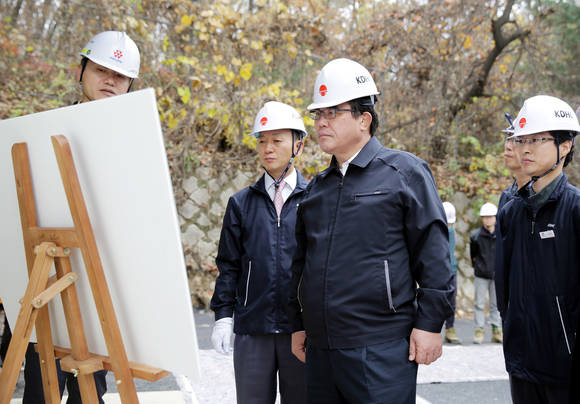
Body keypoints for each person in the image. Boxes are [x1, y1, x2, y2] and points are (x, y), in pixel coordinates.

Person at [287, 58, 454, 403]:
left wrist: (431, 324)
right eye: (318, 114)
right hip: (321, 350)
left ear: (364, 119)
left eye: (333, 112)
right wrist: (298, 323)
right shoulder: (316, 190)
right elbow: (300, 266)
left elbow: (434, 253)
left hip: (381, 348)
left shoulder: (404, 173)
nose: (321, 122)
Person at [23, 30, 140, 404]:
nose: (110, 80)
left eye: (119, 75)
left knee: (92, 390)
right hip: (47, 277)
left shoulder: (135, 143)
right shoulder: (46, 132)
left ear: (130, 84)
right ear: (82, 70)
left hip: (100, 284)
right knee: (43, 383)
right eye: (101, 69)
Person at [210, 101, 308, 404]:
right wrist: (223, 316)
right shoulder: (241, 203)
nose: (268, 147)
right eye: (262, 140)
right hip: (253, 329)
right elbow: (229, 264)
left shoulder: (316, 198)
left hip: (301, 330)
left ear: (298, 145)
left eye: (277, 140)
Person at [495, 95, 580, 404]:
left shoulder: (574, 209)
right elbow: (504, 291)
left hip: (564, 365)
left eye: (536, 140)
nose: (524, 148)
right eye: (521, 140)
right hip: (520, 363)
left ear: (565, 145)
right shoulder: (511, 211)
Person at [469, 202, 502, 344]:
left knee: (496, 305)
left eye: (490, 217)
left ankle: (497, 330)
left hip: (497, 275)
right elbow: (473, 255)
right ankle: (479, 330)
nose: (488, 219)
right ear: (482, 218)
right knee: (479, 304)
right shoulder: (475, 236)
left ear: (495, 218)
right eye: (485, 217)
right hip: (481, 275)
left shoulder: (501, 234)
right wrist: (478, 268)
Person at [498, 115, 530, 210]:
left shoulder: (541, 198)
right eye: (508, 139)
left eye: (516, 140)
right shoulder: (506, 196)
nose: (508, 146)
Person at [442, 202, 461, 344]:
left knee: (452, 301)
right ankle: (434, 329)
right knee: (437, 300)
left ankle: (450, 328)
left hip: (452, 269)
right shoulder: (435, 231)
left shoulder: (452, 231)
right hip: (439, 271)